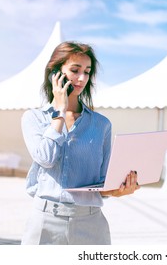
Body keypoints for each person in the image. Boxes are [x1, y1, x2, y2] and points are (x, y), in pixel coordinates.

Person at [20, 41, 140, 245]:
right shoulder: (34, 118)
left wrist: (118, 190)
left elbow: (101, 182)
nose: (82, 78)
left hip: (91, 223)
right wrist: (59, 112)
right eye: (75, 70)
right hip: (45, 223)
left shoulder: (101, 124)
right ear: (55, 73)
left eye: (87, 71)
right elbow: (46, 159)